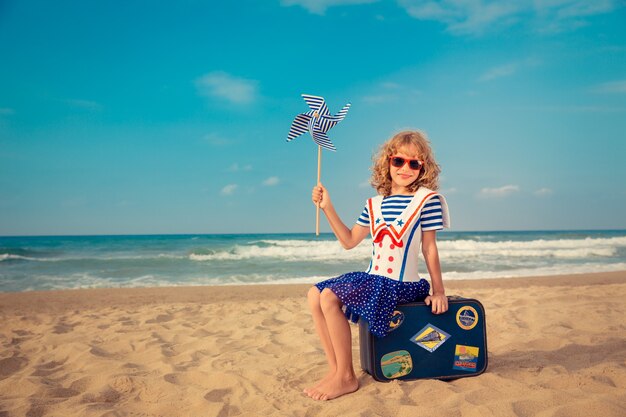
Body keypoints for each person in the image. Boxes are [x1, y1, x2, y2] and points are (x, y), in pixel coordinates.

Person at [304, 130, 451, 401]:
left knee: (330, 296)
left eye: (414, 163)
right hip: (374, 277)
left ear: (423, 168)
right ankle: (336, 369)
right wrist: (327, 207)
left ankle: (347, 378)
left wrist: (439, 291)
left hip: (401, 284)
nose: (405, 168)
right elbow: (349, 241)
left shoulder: (426, 202)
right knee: (315, 295)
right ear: (387, 163)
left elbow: (429, 248)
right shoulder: (373, 205)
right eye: (399, 161)